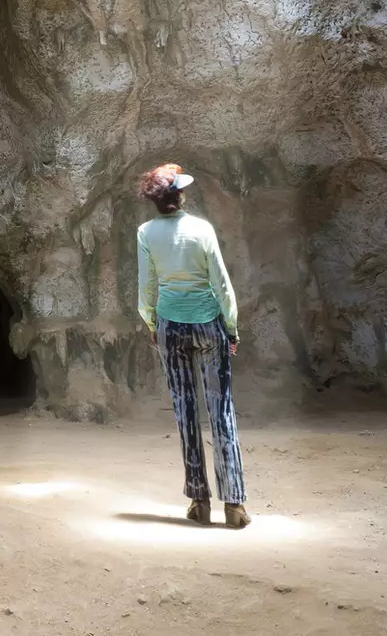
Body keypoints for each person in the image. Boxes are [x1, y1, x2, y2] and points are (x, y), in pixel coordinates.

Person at [136, 162, 249, 527]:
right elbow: (221, 283)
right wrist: (230, 328)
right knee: (221, 411)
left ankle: (199, 502)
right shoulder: (201, 229)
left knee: (185, 411)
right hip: (208, 325)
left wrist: (153, 323)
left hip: (170, 326)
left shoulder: (145, 233)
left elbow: (146, 287)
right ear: (180, 195)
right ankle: (234, 506)